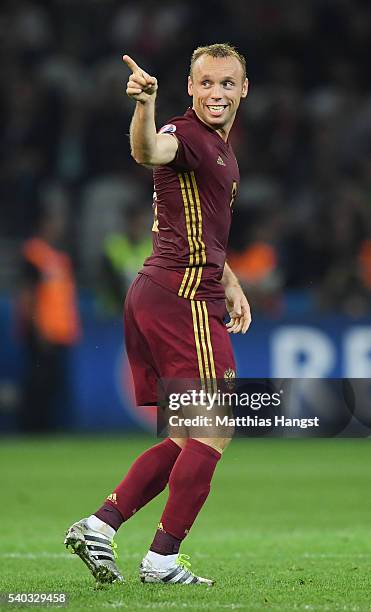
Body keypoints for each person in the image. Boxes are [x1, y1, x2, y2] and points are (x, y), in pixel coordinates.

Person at [65, 43, 251, 586]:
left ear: (244, 89)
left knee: (184, 437)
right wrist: (144, 105)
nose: (216, 93)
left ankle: (100, 526)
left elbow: (193, 228)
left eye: (227, 83)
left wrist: (231, 280)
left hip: (169, 289)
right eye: (206, 83)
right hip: (181, 297)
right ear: (191, 88)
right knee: (216, 427)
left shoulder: (219, 150)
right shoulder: (185, 135)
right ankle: (163, 559)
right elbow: (149, 150)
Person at [18, 208, 80, 432]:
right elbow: (27, 294)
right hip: (42, 332)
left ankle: (47, 429)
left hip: (59, 332)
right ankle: (31, 429)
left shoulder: (58, 257)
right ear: (42, 224)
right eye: (52, 222)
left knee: (53, 384)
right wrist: (36, 329)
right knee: (38, 384)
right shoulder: (33, 254)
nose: (57, 227)